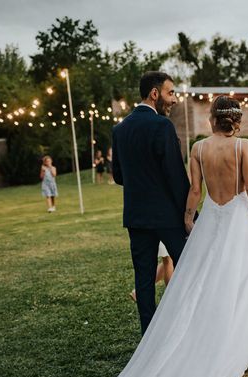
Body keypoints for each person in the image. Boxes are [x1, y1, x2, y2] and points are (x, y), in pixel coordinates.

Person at [58, 94, 248, 377]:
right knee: (241, 279)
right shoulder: (243, 146)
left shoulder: (198, 149)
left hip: (211, 223)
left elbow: (195, 190)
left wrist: (187, 218)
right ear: (236, 120)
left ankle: (218, 332)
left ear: (212, 119)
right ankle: (238, 340)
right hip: (238, 221)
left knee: (206, 280)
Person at [109, 71, 192, 335]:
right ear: (154, 94)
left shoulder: (120, 129)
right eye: (171, 93)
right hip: (168, 217)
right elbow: (176, 177)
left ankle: (149, 338)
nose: (174, 100)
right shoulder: (162, 126)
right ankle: (191, 327)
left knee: (143, 281)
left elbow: (119, 175)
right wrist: (191, 215)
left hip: (137, 217)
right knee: (190, 269)